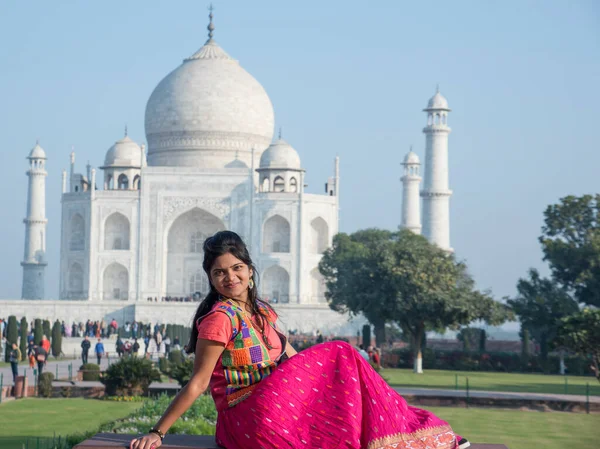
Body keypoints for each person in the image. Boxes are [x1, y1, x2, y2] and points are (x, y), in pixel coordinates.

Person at [130, 231, 469, 449]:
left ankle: (407, 434)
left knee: (343, 372)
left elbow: (294, 361)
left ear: (249, 271)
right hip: (246, 417)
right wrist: (158, 433)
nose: (229, 277)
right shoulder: (219, 318)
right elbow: (198, 383)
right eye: (219, 272)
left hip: (274, 410)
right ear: (210, 278)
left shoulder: (261, 312)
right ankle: (412, 435)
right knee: (341, 351)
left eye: (236, 268)